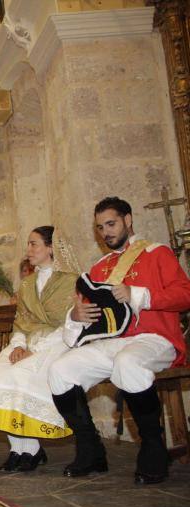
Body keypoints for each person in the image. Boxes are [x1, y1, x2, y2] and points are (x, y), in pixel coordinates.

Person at [49, 197, 190, 484]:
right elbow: (90, 316)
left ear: (128, 219)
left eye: (111, 224)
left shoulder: (157, 253)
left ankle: (153, 448)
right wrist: (77, 316)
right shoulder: (100, 268)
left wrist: (138, 295)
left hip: (155, 338)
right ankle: (92, 451)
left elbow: (185, 295)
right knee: (60, 370)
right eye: (100, 227)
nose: (106, 232)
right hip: (114, 341)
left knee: (128, 362)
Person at [0, 226, 79, 471]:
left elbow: (69, 323)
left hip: (57, 342)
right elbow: (20, 321)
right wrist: (19, 345)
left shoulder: (70, 280)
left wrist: (35, 348)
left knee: (20, 376)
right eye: (28, 244)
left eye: (34, 244)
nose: (28, 250)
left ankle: (30, 449)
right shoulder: (27, 283)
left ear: (51, 248)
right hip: (26, 342)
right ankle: (19, 448)